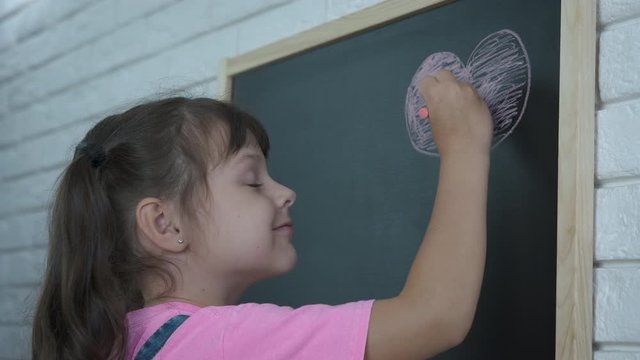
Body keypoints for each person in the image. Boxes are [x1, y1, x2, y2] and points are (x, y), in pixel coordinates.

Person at [31, 69, 493, 360]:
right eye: (252, 181)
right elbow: (435, 317)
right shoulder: (225, 342)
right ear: (165, 224)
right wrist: (464, 144)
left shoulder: (120, 340)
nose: (286, 192)